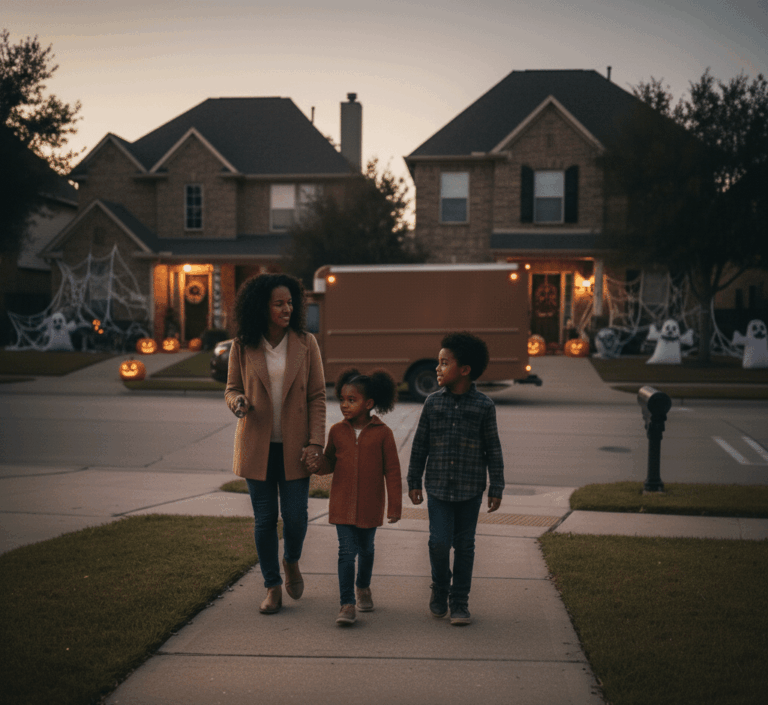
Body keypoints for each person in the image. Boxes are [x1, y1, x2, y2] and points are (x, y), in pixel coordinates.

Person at [225, 273, 326, 615]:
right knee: (265, 519)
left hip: (296, 447)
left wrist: (316, 442)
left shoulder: (306, 343)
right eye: (278, 303)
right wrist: (237, 402)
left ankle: (291, 561)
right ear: (261, 307)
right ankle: (272, 586)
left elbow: (317, 396)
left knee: (296, 518)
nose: (287, 309)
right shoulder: (243, 345)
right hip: (257, 445)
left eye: (290, 303)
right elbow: (231, 388)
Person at [407, 332, 504, 626]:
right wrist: (413, 481)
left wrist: (496, 486)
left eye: (444, 363)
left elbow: (493, 449)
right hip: (437, 488)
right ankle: (440, 586)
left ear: (464, 370)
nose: (437, 368)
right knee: (438, 543)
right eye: (438, 362)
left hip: (470, 489)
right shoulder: (432, 404)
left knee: (464, 545)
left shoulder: (484, 406)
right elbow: (420, 445)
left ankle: (459, 601)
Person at [315, 368, 402, 626]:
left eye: (351, 400)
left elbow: (393, 471)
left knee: (366, 550)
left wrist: (394, 506)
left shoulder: (383, 433)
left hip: (369, 505)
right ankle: (347, 603)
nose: (344, 405)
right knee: (346, 551)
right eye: (342, 399)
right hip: (342, 504)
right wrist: (316, 464)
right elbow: (328, 463)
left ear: (369, 404)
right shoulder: (337, 431)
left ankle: (363, 586)